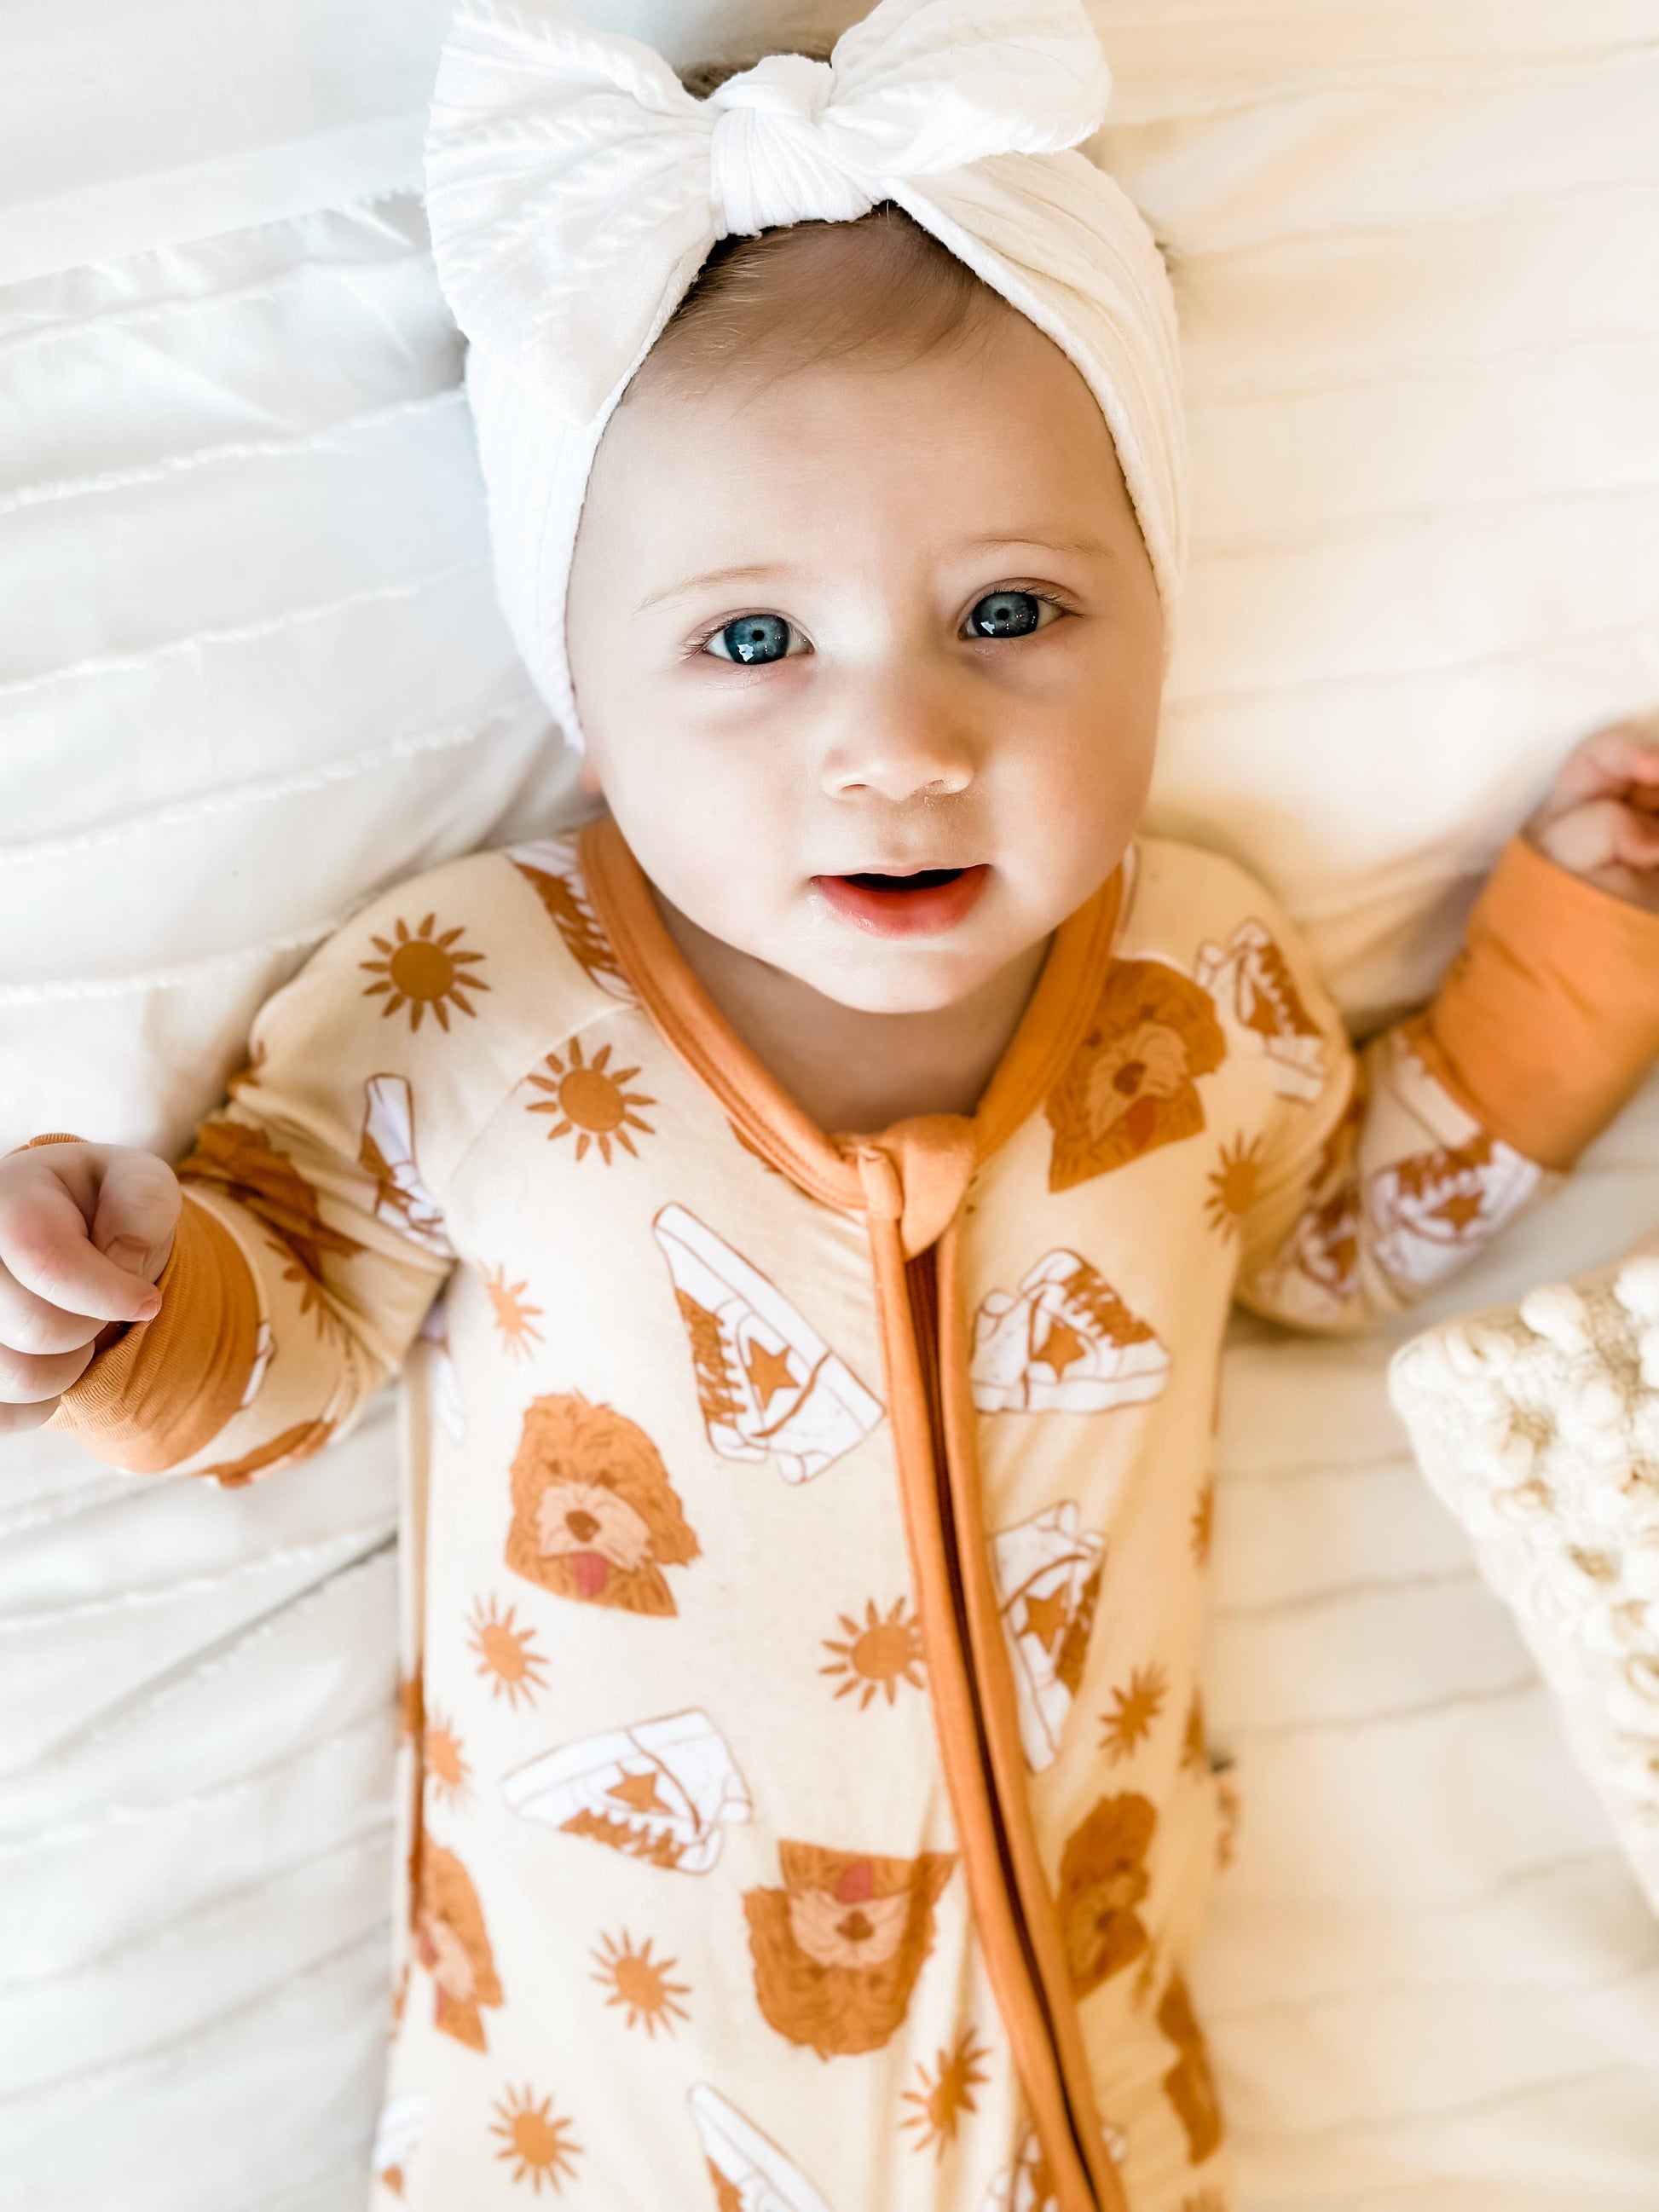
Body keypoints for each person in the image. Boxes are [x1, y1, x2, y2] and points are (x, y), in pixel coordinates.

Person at [3, 2, 1657, 2206]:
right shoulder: (473, 997)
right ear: (578, 681)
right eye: (752, 645)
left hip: (1101, 2124)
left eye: (1007, 611)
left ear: (1160, 621)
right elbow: (289, 1332)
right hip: (576, 2137)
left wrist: (1566, 960)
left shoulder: (1200, 977)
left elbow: (1338, 1237)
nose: (898, 739)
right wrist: (116, 1297)